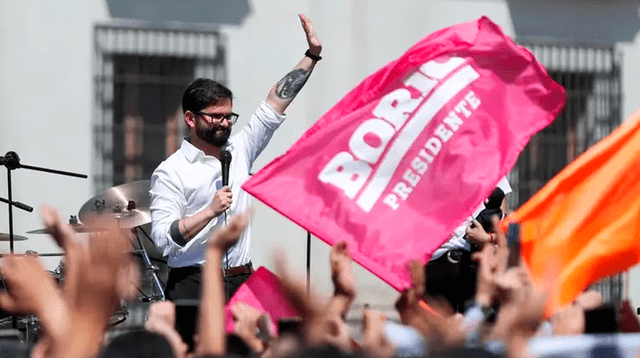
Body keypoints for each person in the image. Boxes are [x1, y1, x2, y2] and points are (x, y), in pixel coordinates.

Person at [149, 12, 322, 340]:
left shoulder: (240, 148)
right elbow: (164, 238)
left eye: (229, 117)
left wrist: (311, 56)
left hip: (241, 278)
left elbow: (275, 102)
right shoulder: (171, 171)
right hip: (194, 282)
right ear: (190, 118)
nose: (225, 124)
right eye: (216, 117)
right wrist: (210, 211)